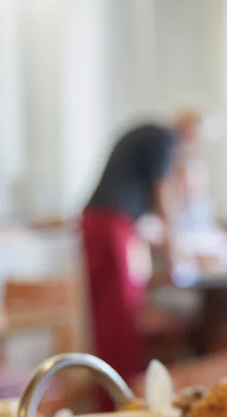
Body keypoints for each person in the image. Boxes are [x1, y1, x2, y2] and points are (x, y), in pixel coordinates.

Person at [79, 111, 203, 382]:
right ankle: (121, 396)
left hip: (99, 223)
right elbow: (164, 200)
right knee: (122, 315)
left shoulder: (150, 136)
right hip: (112, 226)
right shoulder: (164, 139)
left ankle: (111, 393)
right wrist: (176, 254)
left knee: (110, 316)